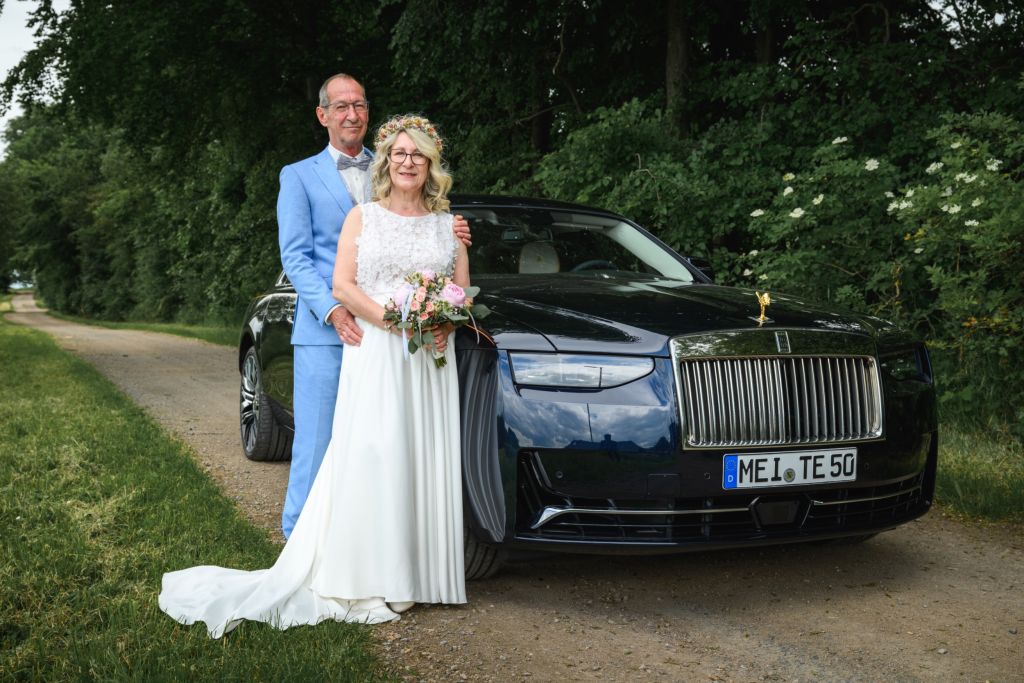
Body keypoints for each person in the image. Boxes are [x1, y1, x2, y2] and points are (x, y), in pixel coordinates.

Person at [159, 114, 468, 635]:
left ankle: (422, 575)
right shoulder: (363, 218)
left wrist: (445, 324)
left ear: (431, 163)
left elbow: (459, 290)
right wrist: (395, 321)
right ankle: (373, 573)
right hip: (378, 350)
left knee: (421, 455)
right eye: (399, 153)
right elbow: (343, 286)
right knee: (374, 454)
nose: (408, 161)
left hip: (428, 363)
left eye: (418, 154)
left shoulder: (449, 225)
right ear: (386, 161)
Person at [277, 73, 470, 538]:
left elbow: (420, 231)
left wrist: (455, 235)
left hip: (397, 341)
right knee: (318, 443)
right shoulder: (298, 176)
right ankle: (298, 539)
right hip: (328, 329)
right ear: (322, 115)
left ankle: (367, 542)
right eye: (341, 106)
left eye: (359, 105)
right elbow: (296, 257)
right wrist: (334, 309)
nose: (352, 114)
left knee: (380, 449)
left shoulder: (395, 161)